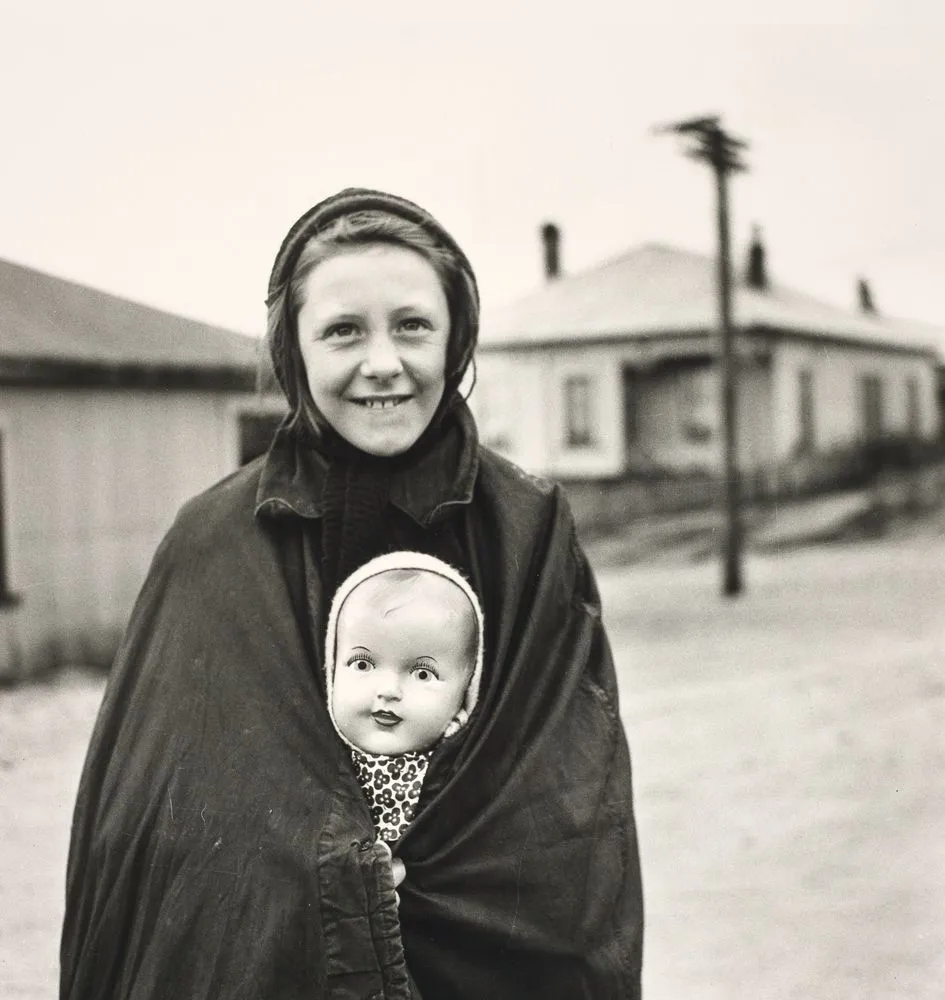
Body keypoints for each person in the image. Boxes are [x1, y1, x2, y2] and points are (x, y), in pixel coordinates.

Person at [61, 187, 644, 1000]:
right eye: (342, 331)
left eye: (411, 325)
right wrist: (332, 865)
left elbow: (563, 801)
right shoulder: (209, 541)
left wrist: (422, 870)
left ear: (455, 337)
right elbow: (157, 826)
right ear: (294, 350)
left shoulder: (527, 527)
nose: (382, 363)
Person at [325, 551, 484, 844]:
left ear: (464, 694)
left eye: (422, 673)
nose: (387, 690)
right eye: (363, 664)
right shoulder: (315, 756)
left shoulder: (463, 768)